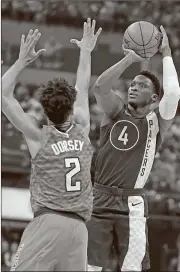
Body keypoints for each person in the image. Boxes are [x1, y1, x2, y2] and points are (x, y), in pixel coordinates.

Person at [2, 18, 102, 271]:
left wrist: (21, 61)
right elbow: (82, 83)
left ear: (44, 111)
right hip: (79, 231)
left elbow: (3, 95)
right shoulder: (82, 127)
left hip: (48, 223)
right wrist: (86, 51)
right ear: (71, 107)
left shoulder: (38, 134)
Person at [87, 25, 180, 272]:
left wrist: (167, 52)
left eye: (141, 85)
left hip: (132, 203)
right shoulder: (116, 111)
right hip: (98, 197)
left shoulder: (157, 122)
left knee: (133, 268)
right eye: (132, 84)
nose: (133, 87)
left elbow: (173, 93)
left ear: (154, 99)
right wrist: (130, 58)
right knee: (88, 267)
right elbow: (99, 88)